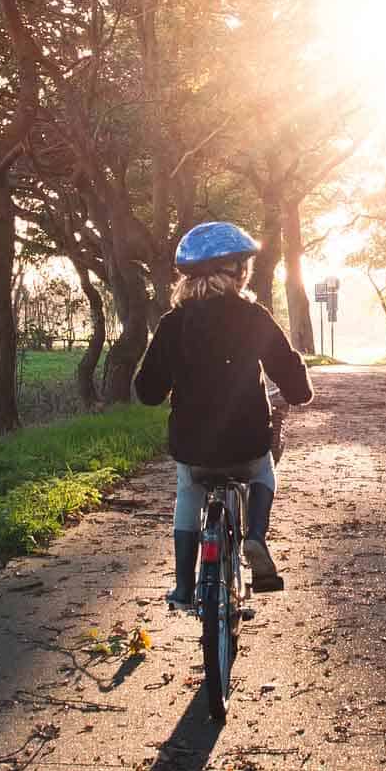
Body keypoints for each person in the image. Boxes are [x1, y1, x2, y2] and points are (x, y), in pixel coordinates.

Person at [134, 220, 312, 606]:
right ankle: (255, 538)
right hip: (247, 445)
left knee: (188, 490)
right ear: (236, 272)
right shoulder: (255, 318)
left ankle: (183, 587)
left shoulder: (172, 324)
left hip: (193, 450)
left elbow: (146, 392)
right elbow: (295, 385)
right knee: (264, 470)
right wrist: (296, 388)